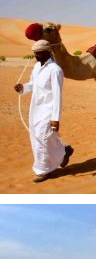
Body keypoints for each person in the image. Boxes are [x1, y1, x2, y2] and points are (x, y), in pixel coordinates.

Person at [14, 40, 74, 183]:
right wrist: (23, 88)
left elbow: (57, 94)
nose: (36, 55)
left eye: (38, 53)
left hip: (49, 109)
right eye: (34, 53)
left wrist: (56, 117)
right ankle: (64, 151)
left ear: (47, 52)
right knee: (38, 137)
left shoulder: (55, 70)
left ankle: (43, 170)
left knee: (43, 136)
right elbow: (33, 85)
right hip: (36, 108)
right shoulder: (36, 67)